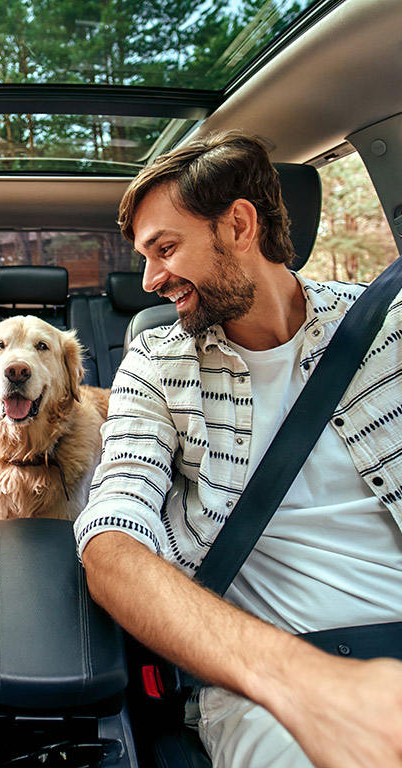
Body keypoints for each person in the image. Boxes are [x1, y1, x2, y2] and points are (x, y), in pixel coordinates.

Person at [75, 131, 402, 768]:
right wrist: (308, 685)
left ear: (240, 225)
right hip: (266, 682)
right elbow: (112, 543)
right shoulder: (157, 361)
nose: (149, 279)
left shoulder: (389, 326)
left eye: (164, 249)